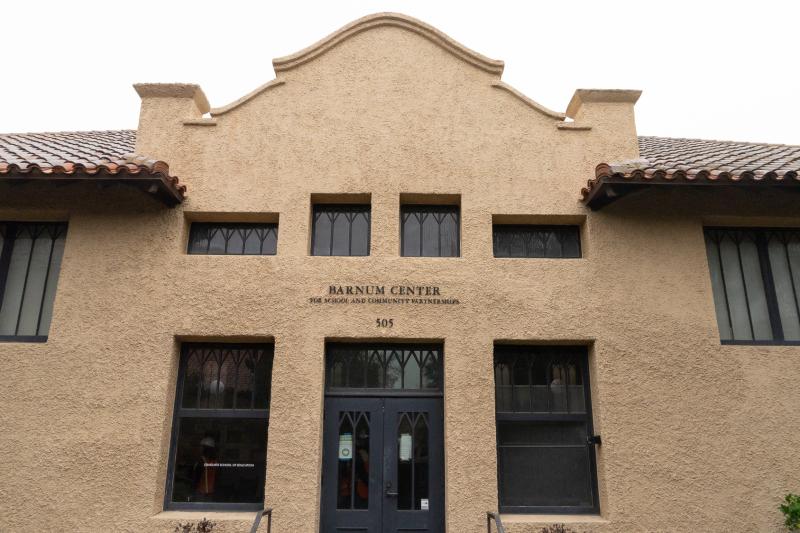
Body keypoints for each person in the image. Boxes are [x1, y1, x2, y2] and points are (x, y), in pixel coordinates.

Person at [193, 436, 217, 501]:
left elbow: (196, 476)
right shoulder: (215, 461)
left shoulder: (201, 461)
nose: (199, 448)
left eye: (201, 447)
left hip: (201, 491)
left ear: (205, 448)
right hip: (211, 492)